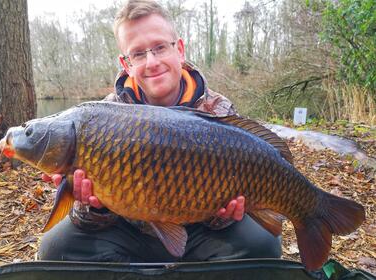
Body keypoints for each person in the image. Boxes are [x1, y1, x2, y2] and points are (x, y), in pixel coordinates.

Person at [39, 0, 282, 262]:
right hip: (129, 232)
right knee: (56, 247)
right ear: (126, 63)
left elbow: (228, 209)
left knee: (263, 244)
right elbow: (88, 220)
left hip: (199, 232)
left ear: (179, 49)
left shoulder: (217, 110)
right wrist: (95, 206)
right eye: (139, 54)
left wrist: (223, 214)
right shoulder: (103, 117)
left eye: (159, 48)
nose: (152, 62)